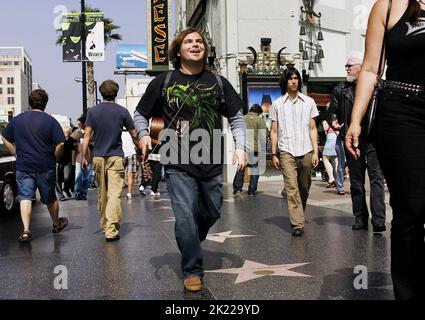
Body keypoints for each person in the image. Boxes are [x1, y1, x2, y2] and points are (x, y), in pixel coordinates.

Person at [134, 27, 247, 292]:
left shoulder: (218, 82)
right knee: (184, 216)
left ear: (205, 50)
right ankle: (192, 269)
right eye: (189, 41)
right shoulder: (163, 82)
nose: (195, 45)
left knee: (213, 209)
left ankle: (190, 239)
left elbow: (236, 118)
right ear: (178, 50)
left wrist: (241, 147)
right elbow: (140, 114)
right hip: (176, 159)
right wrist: (142, 135)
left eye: (199, 41)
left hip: (210, 159)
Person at [345, 0, 425, 300]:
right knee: (411, 211)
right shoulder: (389, 5)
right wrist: (356, 120)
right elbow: (369, 69)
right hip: (402, 112)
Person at [328, 51, 386, 232]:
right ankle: (360, 217)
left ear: (361, 66)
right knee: (356, 180)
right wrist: (333, 120)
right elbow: (332, 111)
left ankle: (378, 220)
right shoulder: (341, 89)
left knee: (377, 180)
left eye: (349, 66)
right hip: (353, 140)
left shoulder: (379, 86)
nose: (346, 69)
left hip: (375, 140)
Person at [0, 89, 68, 242]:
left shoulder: (18, 120)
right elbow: (61, 142)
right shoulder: (50, 121)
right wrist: (54, 156)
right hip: (45, 165)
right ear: (45, 103)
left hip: (24, 165)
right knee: (50, 197)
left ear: (30, 103)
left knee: (25, 197)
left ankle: (25, 230)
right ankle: (56, 224)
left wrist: (15, 152)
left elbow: (4, 137)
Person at [81, 80, 139, 242]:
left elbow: (86, 137)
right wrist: (139, 149)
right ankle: (111, 230)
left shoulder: (93, 112)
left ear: (101, 93)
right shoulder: (122, 111)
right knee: (114, 194)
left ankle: (105, 224)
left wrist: (83, 157)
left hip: (98, 157)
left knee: (103, 193)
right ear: (115, 93)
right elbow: (134, 133)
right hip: (115, 156)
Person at [270, 67, 319, 237]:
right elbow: (274, 131)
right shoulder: (277, 104)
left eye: (296, 78)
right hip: (286, 151)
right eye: (290, 78)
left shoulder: (309, 102)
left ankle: (299, 211)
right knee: (292, 188)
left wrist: (315, 152)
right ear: (285, 82)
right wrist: (274, 153)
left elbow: (313, 128)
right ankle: (297, 224)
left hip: (305, 149)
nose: (294, 81)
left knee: (304, 187)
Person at [233, 104, 266, 196]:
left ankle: (237, 189)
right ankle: (251, 190)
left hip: (243, 148)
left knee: (241, 167)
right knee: (255, 170)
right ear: (258, 112)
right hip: (255, 149)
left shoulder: (242, 118)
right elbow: (263, 136)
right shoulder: (260, 120)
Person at [71, 115, 92, 200]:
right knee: (78, 176)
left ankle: (83, 193)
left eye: (80, 123)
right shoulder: (76, 132)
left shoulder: (91, 132)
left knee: (87, 178)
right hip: (79, 158)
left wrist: (89, 143)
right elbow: (70, 143)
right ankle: (77, 193)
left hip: (89, 157)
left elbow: (95, 142)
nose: (78, 124)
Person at [121, 129, 140, 199]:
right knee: (130, 174)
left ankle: (118, 192)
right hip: (131, 152)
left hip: (121, 153)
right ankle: (129, 193)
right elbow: (136, 142)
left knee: (119, 173)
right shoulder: (131, 131)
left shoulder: (118, 131)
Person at [321, 119, 338, 189]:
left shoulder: (326, 121)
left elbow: (325, 128)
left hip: (330, 140)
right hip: (337, 140)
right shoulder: (338, 120)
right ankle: (338, 179)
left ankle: (331, 178)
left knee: (325, 158)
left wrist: (324, 123)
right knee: (336, 159)